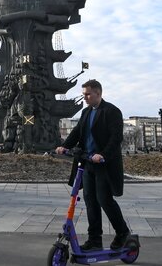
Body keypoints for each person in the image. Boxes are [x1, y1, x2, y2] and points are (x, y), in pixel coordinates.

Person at [55, 79, 131, 251]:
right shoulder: (86, 112)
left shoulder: (111, 111)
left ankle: (123, 233)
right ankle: (94, 240)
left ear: (98, 93)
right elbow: (77, 132)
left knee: (104, 200)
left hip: (103, 164)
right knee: (90, 201)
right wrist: (65, 146)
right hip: (87, 163)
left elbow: (116, 138)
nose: (85, 98)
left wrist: (103, 154)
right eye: (84, 94)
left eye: (88, 94)